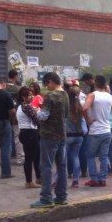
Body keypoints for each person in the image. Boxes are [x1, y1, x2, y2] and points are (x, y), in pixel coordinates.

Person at [31, 72, 70, 208]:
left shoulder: (49, 96)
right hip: (62, 135)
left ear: (50, 82)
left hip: (48, 136)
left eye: (46, 84)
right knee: (62, 166)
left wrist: (35, 110)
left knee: (46, 167)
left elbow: (43, 116)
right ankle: (61, 196)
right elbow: (65, 114)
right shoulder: (65, 94)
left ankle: (46, 198)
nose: (47, 87)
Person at [16, 86, 41, 189]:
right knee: (30, 158)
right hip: (30, 133)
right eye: (29, 95)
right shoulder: (26, 107)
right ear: (23, 97)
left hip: (26, 133)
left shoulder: (21, 106)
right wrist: (39, 112)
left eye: (32, 94)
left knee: (36, 157)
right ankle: (29, 181)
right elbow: (37, 120)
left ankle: (38, 178)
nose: (32, 97)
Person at [66, 85, 86, 188]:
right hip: (79, 135)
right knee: (75, 157)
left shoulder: (66, 106)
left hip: (68, 134)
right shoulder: (80, 106)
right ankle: (76, 181)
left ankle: (58, 180)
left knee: (63, 158)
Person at [6, 69, 24, 166]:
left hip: (4, 116)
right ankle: (20, 159)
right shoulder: (19, 89)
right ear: (16, 76)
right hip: (16, 115)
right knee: (17, 138)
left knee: (3, 139)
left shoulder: (3, 88)